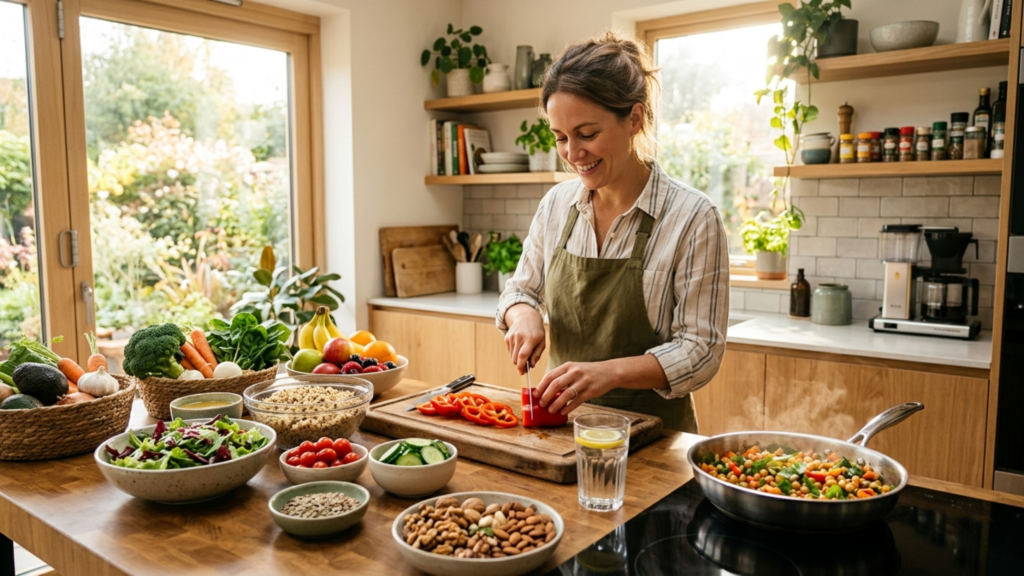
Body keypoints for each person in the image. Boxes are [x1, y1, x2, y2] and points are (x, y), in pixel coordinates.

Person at [495, 32, 730, 433]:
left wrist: (609, 373)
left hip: (655, 439)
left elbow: (700, 350)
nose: (572, 153)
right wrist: (524, 317)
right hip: (563, 431)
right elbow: (519, 291)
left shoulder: (693, 217)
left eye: (587, 134)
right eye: (560, 138)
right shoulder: (556, 205)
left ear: (634, 119)